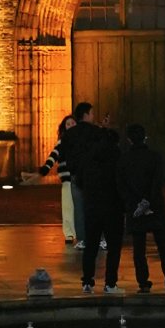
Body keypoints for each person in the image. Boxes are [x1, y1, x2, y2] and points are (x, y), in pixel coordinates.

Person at [115, 121, 165, 294]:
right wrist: (148, 202)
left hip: (135, 209)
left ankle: (143, 283)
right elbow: (157, 183)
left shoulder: (123, 161)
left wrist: (136, 204)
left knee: (139, 249)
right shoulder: (155, 157)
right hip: (155, 208)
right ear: (145, 138)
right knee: (164, 247)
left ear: (129, 140)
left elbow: (121, 186)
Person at [78, 117, 125, 293]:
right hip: (113, 207)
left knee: (91, 245)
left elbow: (80, 180)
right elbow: (122, 182)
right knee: (113, 248)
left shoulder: (88, 157)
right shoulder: (117, 156)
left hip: (92, 206)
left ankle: (87, 282)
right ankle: (110, 283)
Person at [49, 100, 92, 254]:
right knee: (70, 207)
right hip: (69, 179)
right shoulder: (65, 140)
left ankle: (84, 235)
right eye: (68, 124)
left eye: (73, 123)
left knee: (81, 207)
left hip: (79, 176)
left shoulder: (81, 139)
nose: (71, 126)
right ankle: (71, 234)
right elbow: (54, 154)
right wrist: (45, 168)